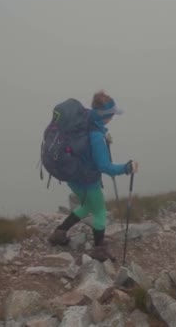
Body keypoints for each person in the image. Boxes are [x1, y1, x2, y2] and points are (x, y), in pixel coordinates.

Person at [47, 91, 138, 261]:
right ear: (107, 115)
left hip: (73, 177)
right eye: (112, 115)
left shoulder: (86, 120)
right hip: (87, 181)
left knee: (87, 207)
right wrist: (127, 168)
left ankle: (59, 233)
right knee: (100, 213)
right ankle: (99, 250)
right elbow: (105, 167)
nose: (113, 118)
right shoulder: (96, 136)